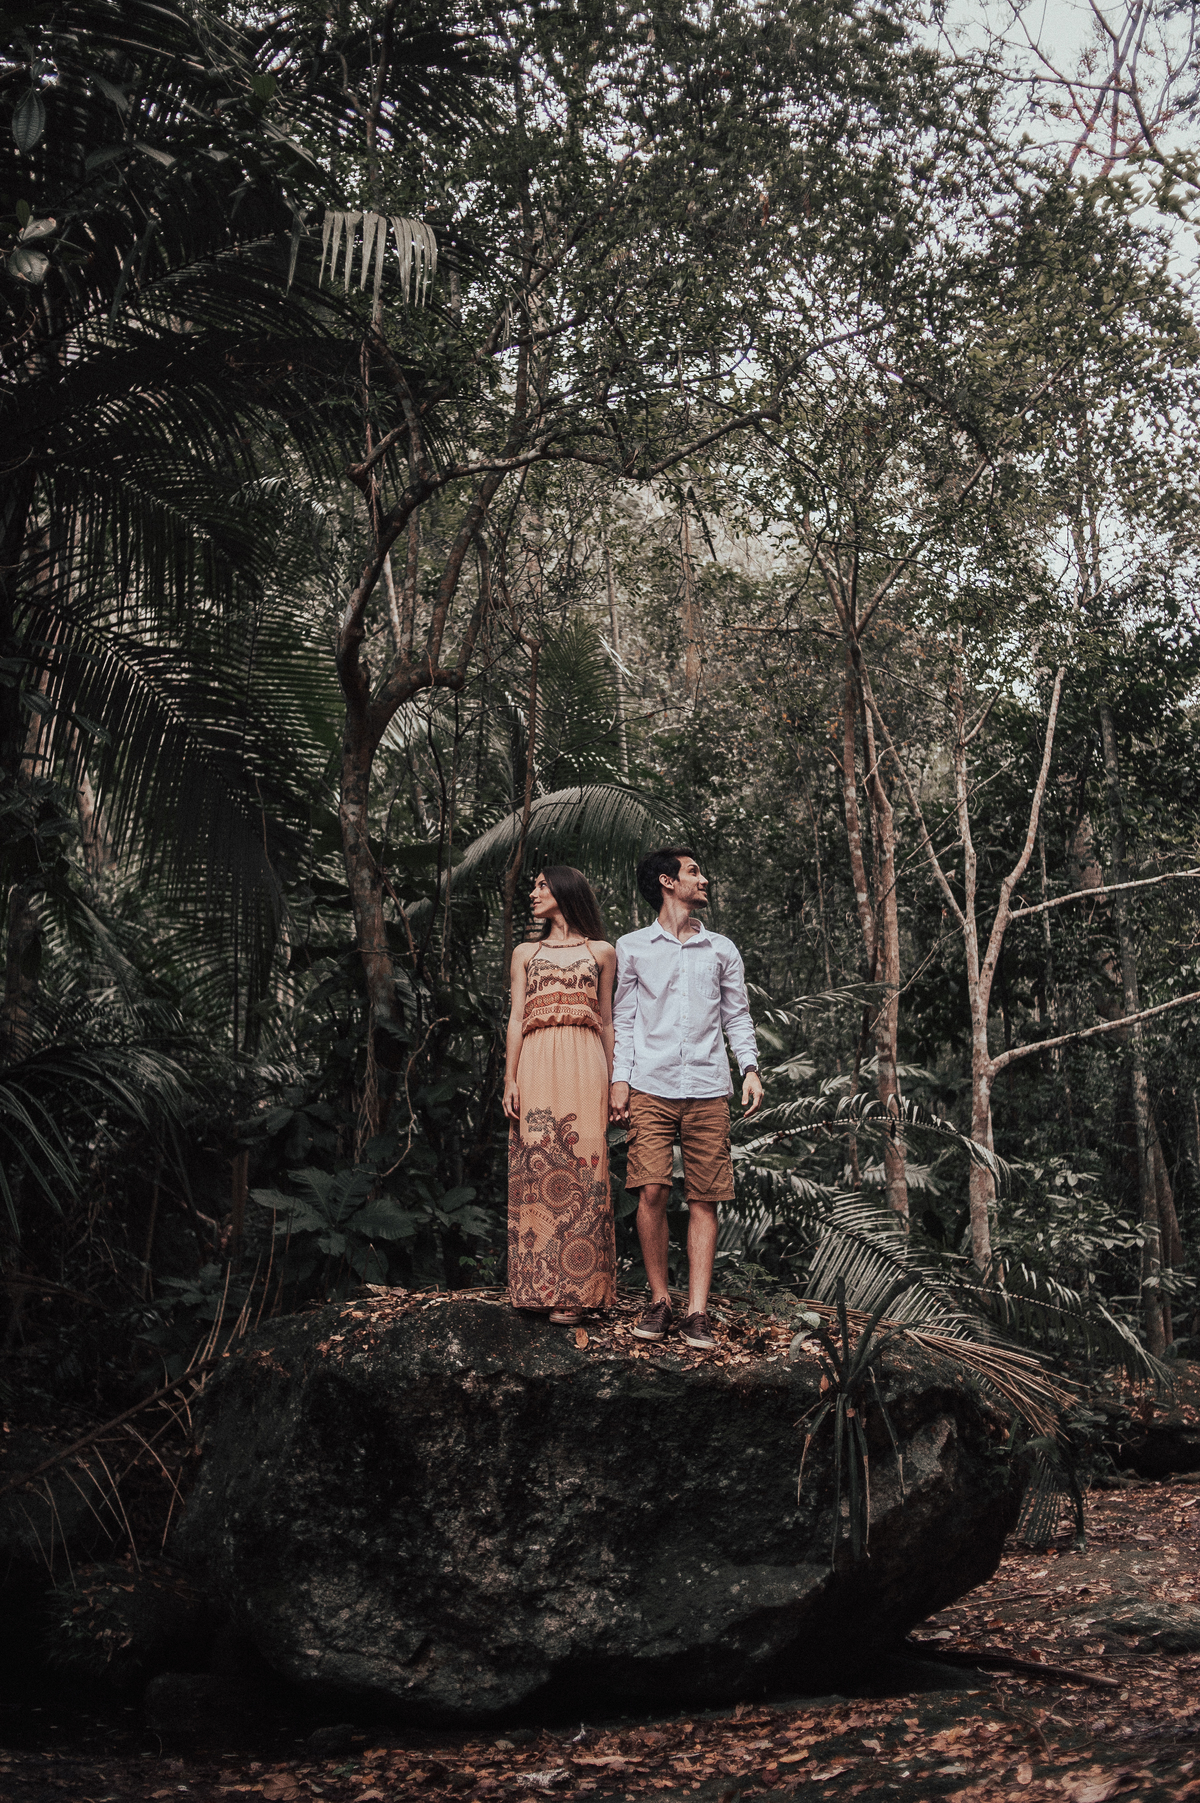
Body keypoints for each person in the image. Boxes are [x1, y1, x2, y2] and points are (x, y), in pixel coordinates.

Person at [609, 847, 763, 1349]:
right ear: (666, 881)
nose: (704, 879)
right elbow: (624, 1019)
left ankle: (697, 1311)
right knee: (651, 1190)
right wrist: (619, 1080)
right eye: (694, 871)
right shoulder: (632, 947)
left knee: (705, 1196)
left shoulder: (721, 949)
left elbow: (737, 1016)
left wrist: (750, 1068)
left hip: (708, 1087)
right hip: (649, 1085)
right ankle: (660, 1301)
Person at [504, 866, 618, 1325]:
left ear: (564, 891)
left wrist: (616, 1083)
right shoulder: (525, 952)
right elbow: (516, 1018)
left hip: (586, 1060)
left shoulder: (601, 952)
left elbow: (607, 1019)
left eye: (541, 885)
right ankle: (537, 1286)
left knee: (586, 1163)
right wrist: (509, 1079)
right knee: (537, 1162)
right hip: (535, 1059)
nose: (533, 893)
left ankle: (577, 1291)